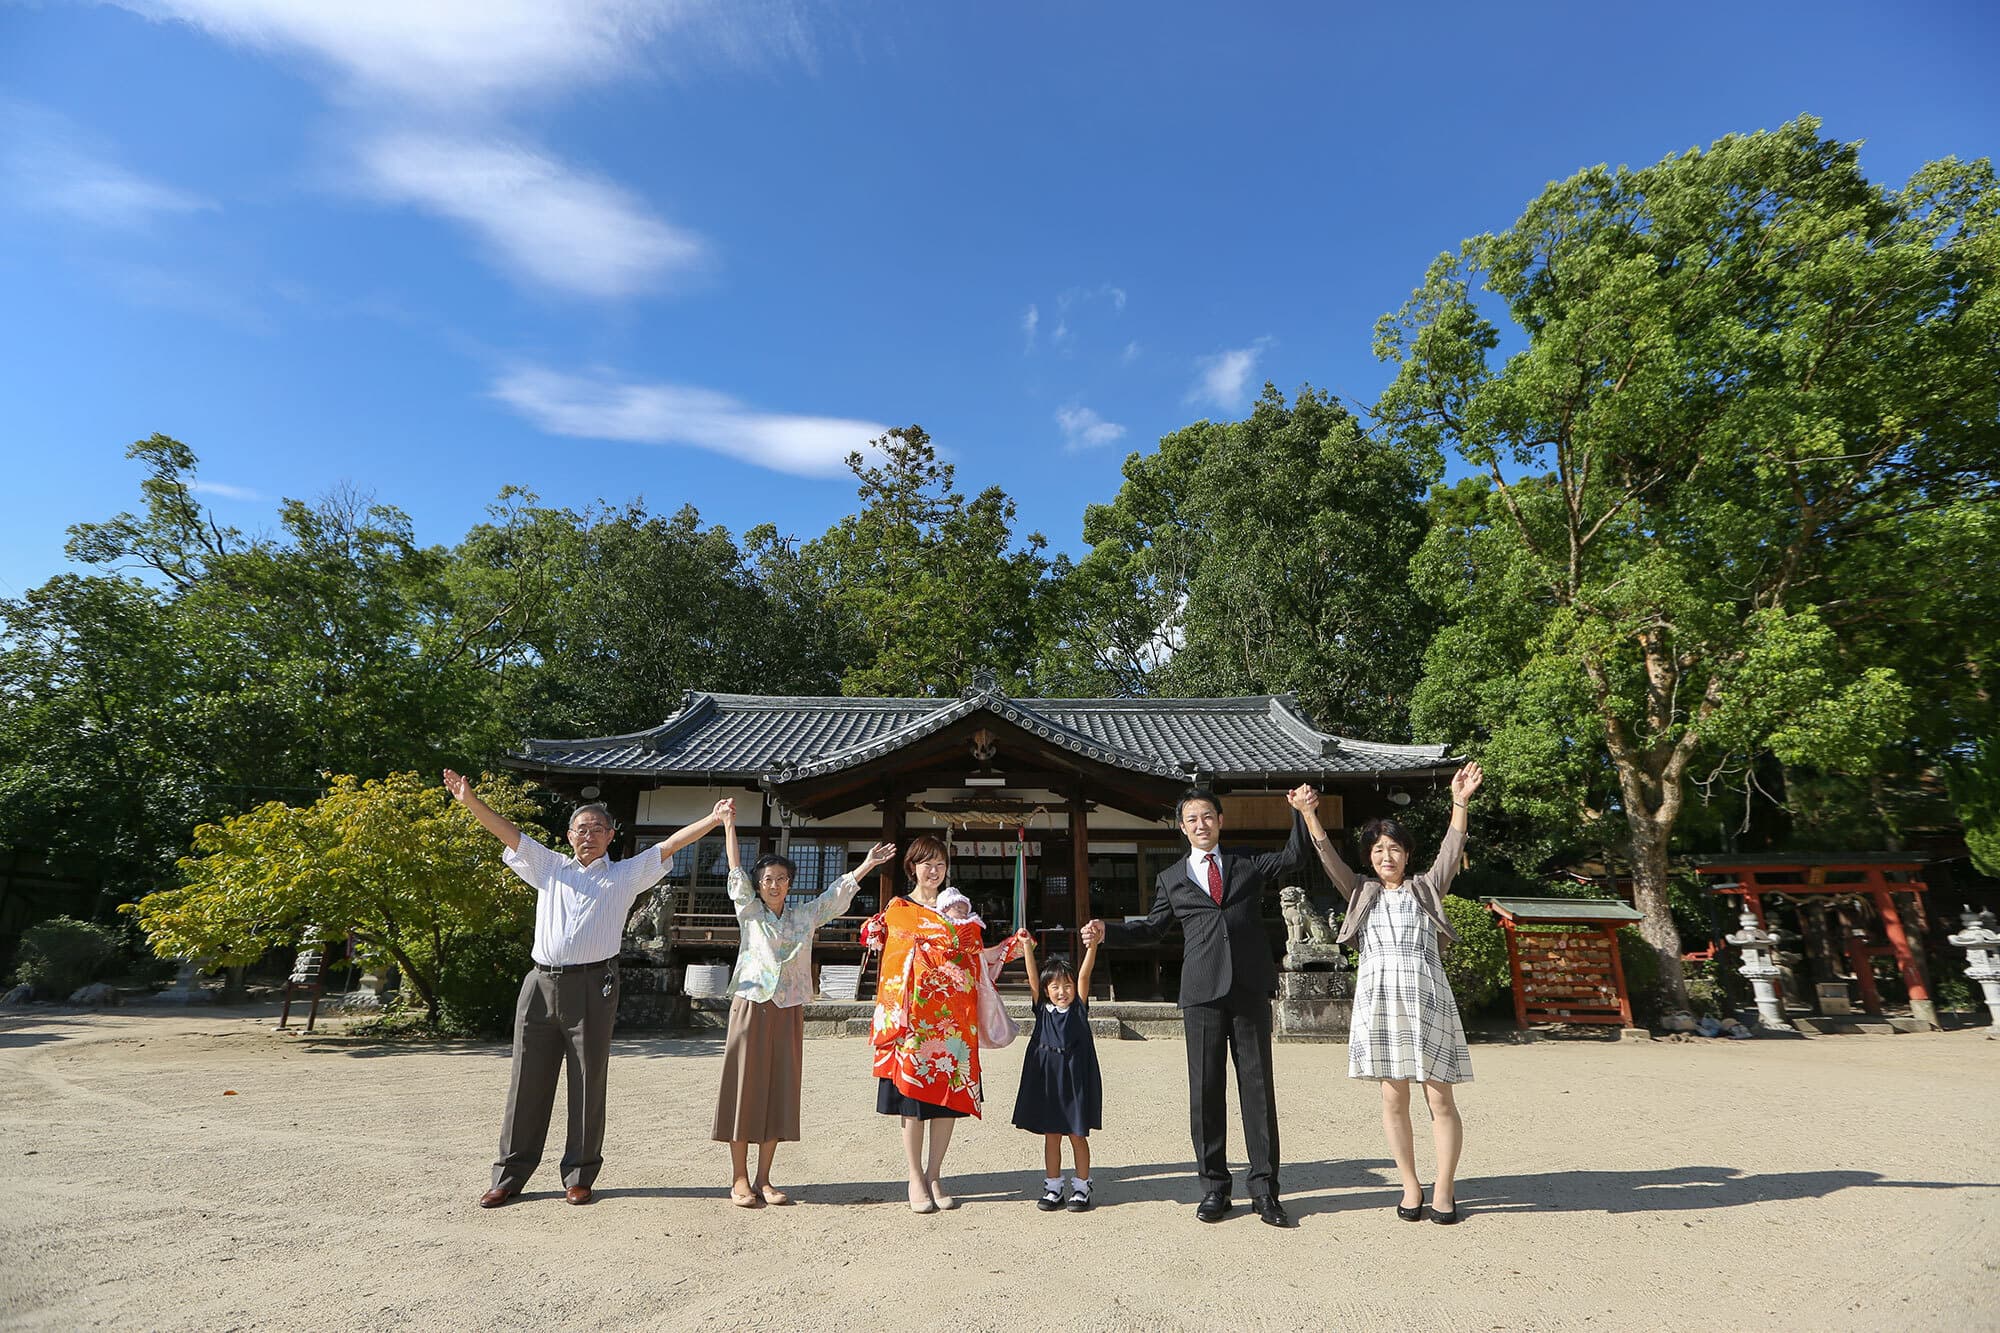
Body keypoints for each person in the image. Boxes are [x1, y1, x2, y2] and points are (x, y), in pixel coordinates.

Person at [442, 769, 728, 1208]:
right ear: (569, 834)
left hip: (594, 983)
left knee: (587, 1079)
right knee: (526, 1081)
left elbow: (669, 846)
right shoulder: (550, 867)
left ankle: (579, 1173)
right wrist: (469, 801)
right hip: (540, 982)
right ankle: (510, 1174)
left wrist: (711, 819)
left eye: (598, 828)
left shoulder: (626, 874)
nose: (588, 835)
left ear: (611, 835)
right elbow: (510, 833)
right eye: (581, 828)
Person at [1080, 784, 1314, 1228]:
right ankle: (1214, 1188)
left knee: (1258, 1092)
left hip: (1248, 990)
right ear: (1182, 828)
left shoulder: (1245, 862)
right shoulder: (1173, 878)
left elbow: (1292, 859)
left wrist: (1301, 814)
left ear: (1220, 821)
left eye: (1207, 816)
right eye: (1192, 819)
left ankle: (1265, 1190)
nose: (1200, 825)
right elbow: (1152, 928)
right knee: (1205, 1092)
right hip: (1202, 993)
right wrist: (1108, 930)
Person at [1292, 762, 1482, 1225]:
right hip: (1380, 1005)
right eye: (1378, 850)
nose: (1387, 857)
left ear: (1406, 854)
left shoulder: (1426, 888)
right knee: (1392, 1098)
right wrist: (1309, 814)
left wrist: (1459, 803)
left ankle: (1445, 1186)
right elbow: (1328, 860)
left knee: (1440, 1099)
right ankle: (1410, 1185)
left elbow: (1451, 852)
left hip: (1426, 1000)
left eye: (1394, 849)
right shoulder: (1360, 892)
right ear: (1369, 857)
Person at [711, 804, 896, 1208]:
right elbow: (735, 872)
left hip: (789, 1008)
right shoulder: (750, 913)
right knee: (744, 1088)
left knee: (779, 1087)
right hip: (751, 1003)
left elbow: (834, 898)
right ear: (758, 885)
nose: (774, 884)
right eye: (767, 879)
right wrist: (728, 823)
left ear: (790, 884)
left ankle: (765, 1178)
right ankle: (739, 1178)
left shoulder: (802, 917)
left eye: (781, 879)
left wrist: (865, 866)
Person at [861, 835, 1025, 1214]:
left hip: (953, 1022)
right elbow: (886, 944)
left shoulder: (961, 911)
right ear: (912, 868)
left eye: (939, 864)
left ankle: (936, 1173)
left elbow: (976, 957)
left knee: (947, 1103)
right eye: (925, 864)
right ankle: (915, 1176)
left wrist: (1010, 947)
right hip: (914, 1022)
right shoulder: (899, 908)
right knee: (913, 1101)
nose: (932, 871)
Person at [1011, 932, 1103, 1212]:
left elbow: (1085, 974)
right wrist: (1027, 947)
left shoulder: (1078, 1009)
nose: (1062, 991)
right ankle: (1053, 1187)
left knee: (1077, 1135)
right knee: (1052, 1135)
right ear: (1046, 989)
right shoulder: (1042, 1009)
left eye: (1067, 985)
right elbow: (1031, 976)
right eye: (1055, 986)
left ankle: (1082, 1187)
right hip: (1049, 1081)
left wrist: (1093, 947)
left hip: (1074, 1080)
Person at [938, 888, 1021, 1049]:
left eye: (964, 909)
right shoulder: (936, 930)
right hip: (943, 988)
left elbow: (982, 956)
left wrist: (1008, 946)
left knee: (966, 1034)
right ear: (944, 909)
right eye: (958, 908)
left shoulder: (972, 928)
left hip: (968, 989)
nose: (962, 912)